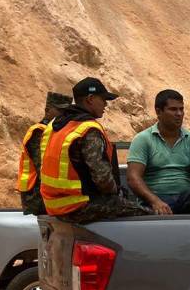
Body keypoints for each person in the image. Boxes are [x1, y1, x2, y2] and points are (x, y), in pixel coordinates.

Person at [39, 77, 146, 223]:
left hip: (53, 205)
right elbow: (103, 178)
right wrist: (117, 191)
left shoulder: (55, 125)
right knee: (146, 214)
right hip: (79, 206)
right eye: (103, 99)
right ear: (90, 99)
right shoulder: (87, 129)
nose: (106, 105)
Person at [126, 89, 190, 215]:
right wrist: (155, 201)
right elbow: (133, 177)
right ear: (158, 112)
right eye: (173, 109)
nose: (179, 114)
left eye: (181, 109)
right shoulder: (142, 139)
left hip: (183, 199)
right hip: (153, 200)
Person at [17, 91, 71, 215]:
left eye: (67, 112)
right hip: (35, 195)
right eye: (61, 111)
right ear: (48, 110)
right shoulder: (39, 132)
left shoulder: (53, 132)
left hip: (44, 193)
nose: (65, 115)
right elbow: (44, 168)